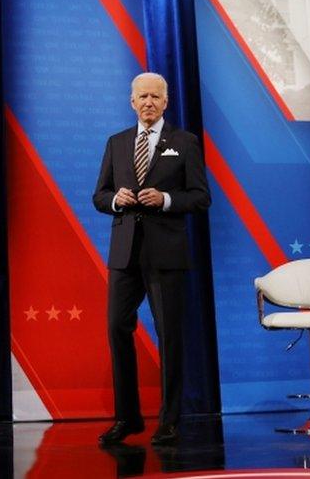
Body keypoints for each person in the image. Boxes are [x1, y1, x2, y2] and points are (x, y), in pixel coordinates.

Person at [92, 72, 211, 446]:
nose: (148, 102)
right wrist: (116, 200)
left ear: (166, 102)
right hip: (124, 253)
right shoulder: (117, 142)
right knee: (116, 329)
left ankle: (170, 419)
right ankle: (127, 419)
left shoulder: (185, 142)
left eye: (155, 97)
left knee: (169, 336)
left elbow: (201, 197)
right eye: (141, 96)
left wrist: (167, 199)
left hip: (166, 253)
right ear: (131, 102)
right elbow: (99, 195)